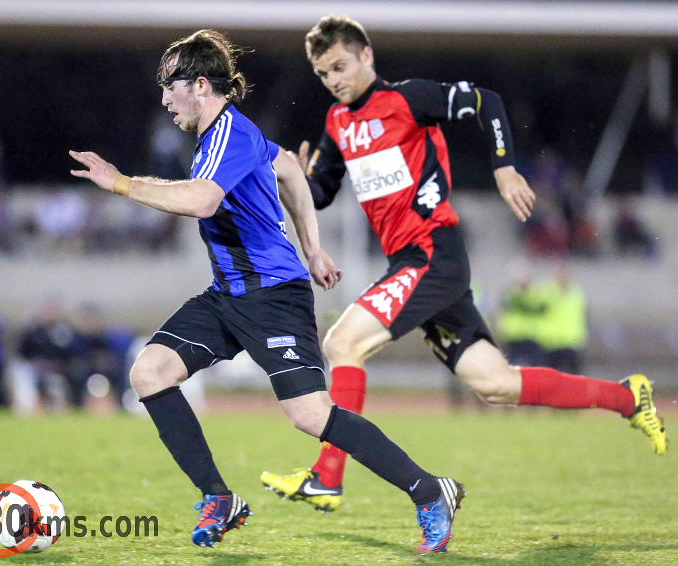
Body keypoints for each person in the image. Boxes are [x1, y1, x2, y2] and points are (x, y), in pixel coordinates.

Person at [69, 29, 465, 553]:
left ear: (201, 85)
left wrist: (122, 183)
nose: (164, 99)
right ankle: (218, 497)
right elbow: (291, 172)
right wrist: (315, 248)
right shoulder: (228, 135)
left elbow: (203, 200)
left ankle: (428, 490)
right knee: (149, 371)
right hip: (229, 294)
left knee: (310, 415)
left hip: (274, 296)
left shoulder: (229, 132)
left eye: (171, 86)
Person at [260, 14, 667, 515]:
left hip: (432, 253)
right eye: (323, 74)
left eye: (340, 66)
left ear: (367, 55)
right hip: (414, 264)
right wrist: (295, 181)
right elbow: (320, 194)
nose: (334, 80)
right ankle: (628, 398)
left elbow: (485, 102)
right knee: (494, 383)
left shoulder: (408, 99)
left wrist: (503, 166)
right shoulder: (337, 124)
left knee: (342, 342)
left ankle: (328, 476)